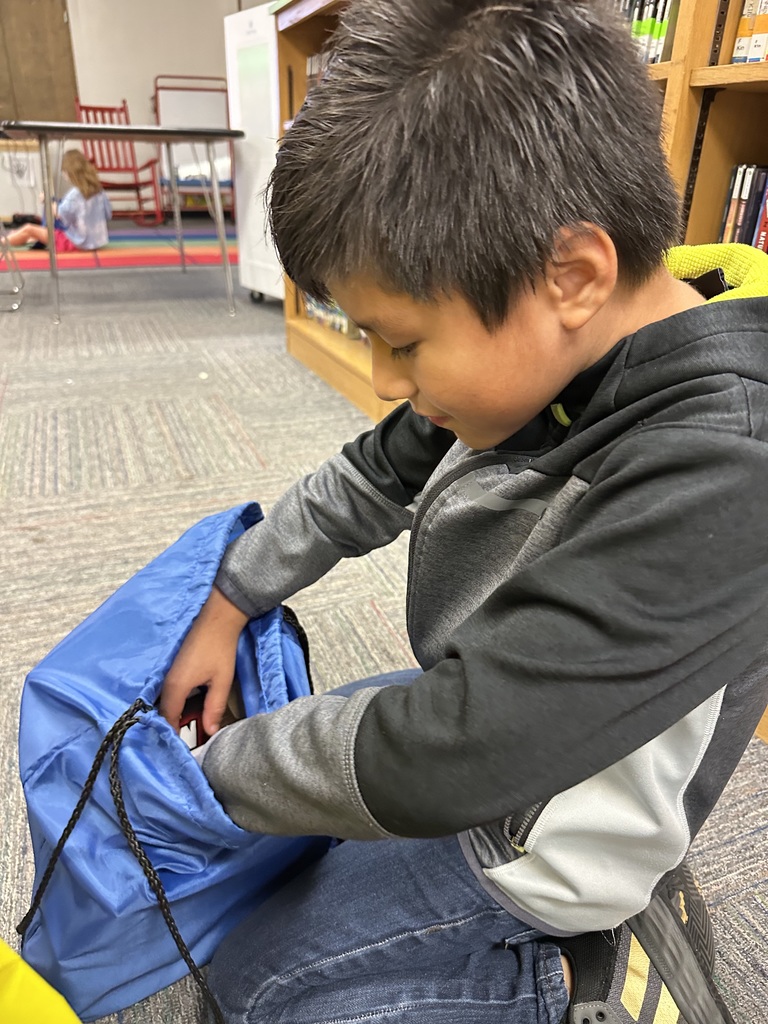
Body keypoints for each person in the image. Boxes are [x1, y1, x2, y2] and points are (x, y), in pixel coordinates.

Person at [159, 1, 768, 1021]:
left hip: (539, 832)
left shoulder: (726, 462)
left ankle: (580, 967)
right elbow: (369, 477)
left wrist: (203, 777)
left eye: (401, 340)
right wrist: (230, 598)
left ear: (571, 275)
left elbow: (457, 751)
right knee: (240, 920)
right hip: (494, 716)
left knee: (254, 993)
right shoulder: (540, 353)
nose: (388, 378)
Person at [6, 149, 110, 253]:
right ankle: (27, 237)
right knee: (37, 233)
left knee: (29, 229)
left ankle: (3, 241)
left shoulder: (75, 195)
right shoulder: (100, 191)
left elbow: (59, 214)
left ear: (68, 172)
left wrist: (47, 201)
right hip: (97, 242)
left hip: (76, 243)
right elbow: (108, 214)